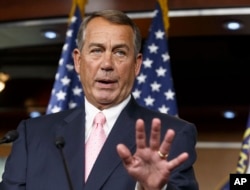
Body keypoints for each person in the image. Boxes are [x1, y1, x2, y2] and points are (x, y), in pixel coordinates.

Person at [0, 10, 198, 190]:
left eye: (120, 52)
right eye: (96, 50)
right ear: (78, 61)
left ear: (137, 65)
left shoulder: (172, 136)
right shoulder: (32, 135)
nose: (107, 64)